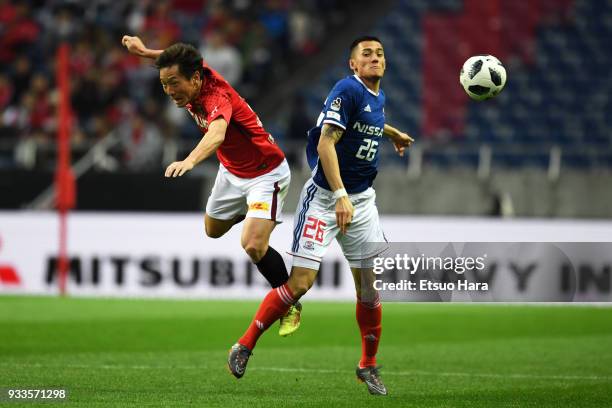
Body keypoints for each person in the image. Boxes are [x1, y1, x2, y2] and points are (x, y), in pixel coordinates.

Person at [227, 36, 414, 396]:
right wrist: (341, 196)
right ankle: (244, 345)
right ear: (353, 65)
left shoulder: (376, 97)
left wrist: (391, 133)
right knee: (300, 284)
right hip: (326, 199)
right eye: (366, 55)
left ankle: (368, 366)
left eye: (379, 54)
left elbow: (363, 124)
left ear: (385, 64)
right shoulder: (348, 89)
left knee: (369, 290)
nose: (374, 58)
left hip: (362, 202)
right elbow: (327, 142)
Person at [121, 36, 302, 336]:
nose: (169, 91)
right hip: (232, 172)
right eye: (165, 84)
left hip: (265, 173)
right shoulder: (193, 70)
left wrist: (190, 160)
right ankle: (254, 213)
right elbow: (174, 58)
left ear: (194, 79)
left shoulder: (217, 96)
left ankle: (289, 300)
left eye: (173, 83)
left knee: (253, 244)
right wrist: (144, 53)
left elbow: (217, 134)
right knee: (212, 230)